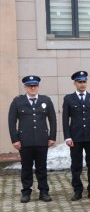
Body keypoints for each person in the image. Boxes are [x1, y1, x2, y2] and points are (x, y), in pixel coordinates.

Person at [8, 75, 57, 203]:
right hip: (25, 141)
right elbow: (11, 122)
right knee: (26, 168)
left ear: (38, 86)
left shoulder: (46, 100)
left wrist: (52, 137)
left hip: (42, 140)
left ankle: (44, 192)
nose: (33, 88)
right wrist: (15, 139)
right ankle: (26, 192)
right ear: (25, 87)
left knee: (42, 167)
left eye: (35, 85)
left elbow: (52, 119)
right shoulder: (17, 102)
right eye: (30, 86)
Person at [62, 71, 90, 201]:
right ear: (75, 83)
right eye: (80, 82)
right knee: (76, 166)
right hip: (76, 138)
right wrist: (67, 137)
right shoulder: (68, 99)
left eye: (84, 82)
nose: (82, 84)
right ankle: (77, 190)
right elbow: (65, 119)